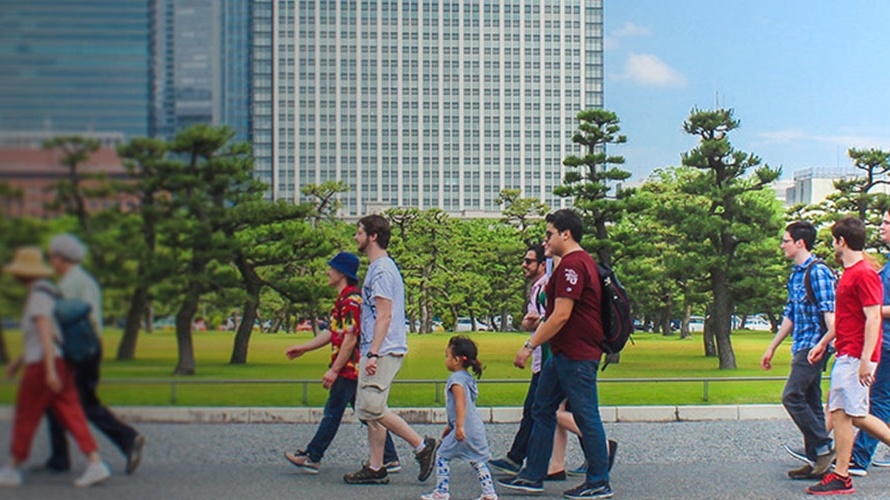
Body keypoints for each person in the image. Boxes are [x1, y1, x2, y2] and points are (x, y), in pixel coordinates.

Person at [498, 209, 613, 500]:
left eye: (549, 234)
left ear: (566, 233)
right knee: (542, 408)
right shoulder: (574, 264)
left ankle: (599, 481)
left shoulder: (573, 265)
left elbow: (561, 315)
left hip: (576, 354)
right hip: (563, 354)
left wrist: (529, 345)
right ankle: (533, 475)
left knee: (586, 415)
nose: (544, 240)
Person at [0, 246, 111, 488]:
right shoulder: (49, 292)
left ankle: (13, 466)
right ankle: (95, 462)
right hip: (58, 360)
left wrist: (48, 369)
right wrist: (18, 362)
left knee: (26, 414)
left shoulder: (37, 297)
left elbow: (44, 335)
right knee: (71, 411)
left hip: (42, 364)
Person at [344, 214, 439, 485]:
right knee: (372, 410)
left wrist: (373, 353)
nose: (355, 237)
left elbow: (384, 315)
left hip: (382, 348)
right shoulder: (378, 268)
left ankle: (421, 445)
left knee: (371, 406)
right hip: (377, 346)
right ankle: (376, 467)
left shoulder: (383, 270)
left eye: (359, 232)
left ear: (373, 236)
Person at [283, 251, 400, 473]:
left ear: (341, 273)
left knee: (333, 411)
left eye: (331, 268)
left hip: (351, 368)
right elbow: (333, 332)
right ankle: (390, 457)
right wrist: (304, 348)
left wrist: (335, 370)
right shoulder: (345, 299)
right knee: (367, 411)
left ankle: (313, 456)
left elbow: (351, 337)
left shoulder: (351, 302)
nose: (328, 272)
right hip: (352, 368)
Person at [41, 234, 145, 475]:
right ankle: (59, 457)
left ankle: (126, 438)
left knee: (80, 403)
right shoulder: (82, 280)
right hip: (88, 348)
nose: (52, 262)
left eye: (53, 257)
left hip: (78, 351)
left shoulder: (70, 283)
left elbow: (65, 320)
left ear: (61, 258)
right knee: (57, 400)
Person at [806, 216, 890, 495]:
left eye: (833, 240)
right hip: (848, 350)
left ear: (842, 241)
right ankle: (841, 473)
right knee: (846, 413)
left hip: (856, 354)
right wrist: (824, 342)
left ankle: (842, 474)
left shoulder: (864, 274)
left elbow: (873, 318)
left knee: (850, 413)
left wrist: (866, 358)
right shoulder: (850, 273)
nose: (832, 245)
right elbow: (847, 318)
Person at [761, 221, 836, 479]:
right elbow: (790, 315)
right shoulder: (796, 274)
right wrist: (772, 347)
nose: (782, 245)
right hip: (802, 344)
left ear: (800, 243)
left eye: (786, 240)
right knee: (812, 400)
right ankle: (817, 461)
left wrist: (823, 345)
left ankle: (824, 448)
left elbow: (830, 315)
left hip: (814, 346)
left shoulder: (818, 272)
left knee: (792, 396)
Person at [488, 244, 550, 475]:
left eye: (529, 261)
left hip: (548, 357)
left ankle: (523, 463)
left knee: (539, 410)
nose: (524, 265)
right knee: (546, 410)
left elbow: (548, 319)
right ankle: (527, 462)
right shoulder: (537, 288)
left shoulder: (546, 286)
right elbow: (530, 321)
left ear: (542, 265)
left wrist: (529, 342)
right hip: (543, 356)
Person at [422, 336, 498, 500]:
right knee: (477, 460)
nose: (446, 360)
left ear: (456, 360)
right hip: (474, 427)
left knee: (442, 455)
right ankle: (489, 492)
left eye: (447, 356)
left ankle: (441, 492)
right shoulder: (467, 378)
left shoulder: (456, 380)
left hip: (465, 428)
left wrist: (459, 426)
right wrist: (451, 426)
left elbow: (460, 404)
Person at [847, 210, 890, 475]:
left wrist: (871, 309)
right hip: (883, 341)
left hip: (887, 343)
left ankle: (859, 457)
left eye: (887, 223)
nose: (882, 226)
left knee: (878, 400)